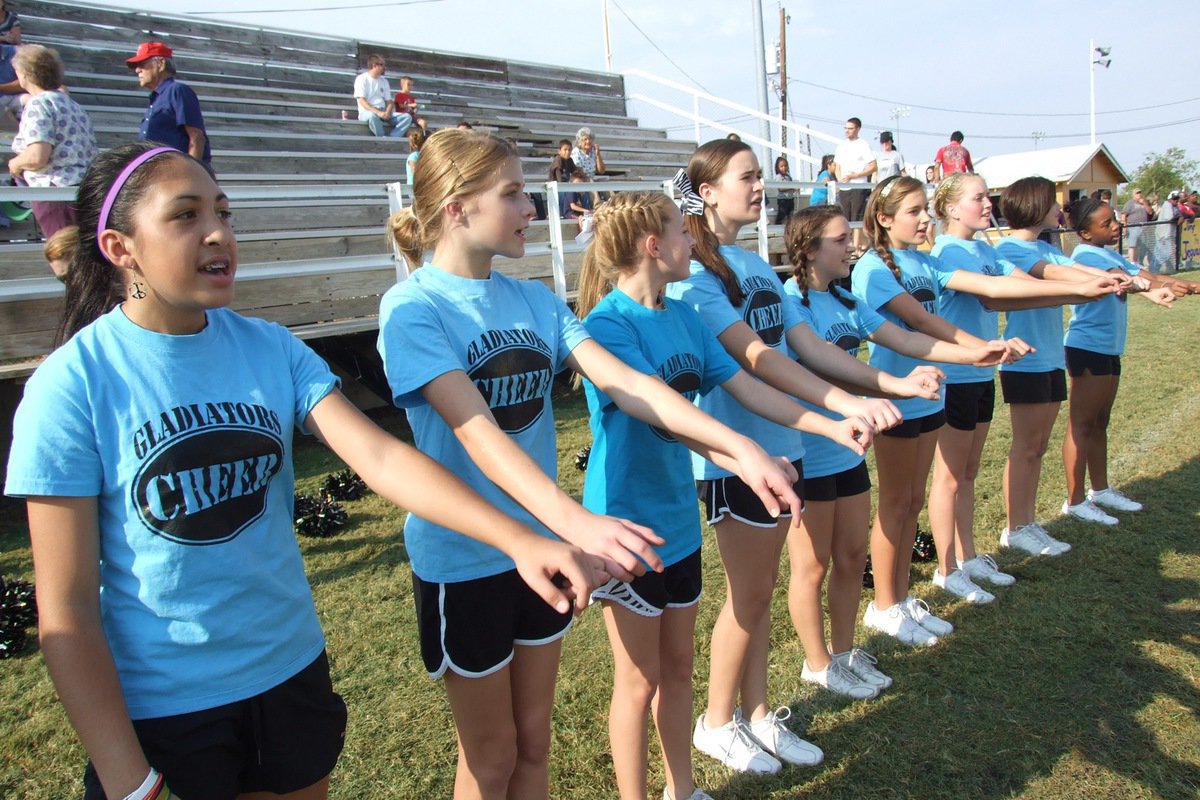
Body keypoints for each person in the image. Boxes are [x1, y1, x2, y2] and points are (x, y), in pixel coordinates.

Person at [4, 141, 604, 800]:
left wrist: (521, 539)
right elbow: (65, 613)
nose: (217, 233)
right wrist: (127, 778)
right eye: (185, 215)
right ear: (121, 248)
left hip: (289, 674)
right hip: (167, 710)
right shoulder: (72, 384)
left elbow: (379, 455)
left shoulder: (271, 348)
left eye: (224, 212)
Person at [378, 129, 803, 799]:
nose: (528, 210)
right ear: (458, 207)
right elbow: (478, 435)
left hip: (544, 554)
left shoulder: (536, 303)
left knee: (535, 744)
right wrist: (574, 521)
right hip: (466, 562)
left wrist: (740, 448)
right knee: (490, 759)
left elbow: (633, 387)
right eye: (513, 195)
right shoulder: (412, 308)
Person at [575, 192, 871, 800]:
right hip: (627, 525)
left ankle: (681, 790)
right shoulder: (608, 325)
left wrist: (826, 421)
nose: (694, 244)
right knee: (638, 681)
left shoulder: (683, 314)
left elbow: (747, 384)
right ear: (653, 247)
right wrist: (744, 452)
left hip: (678, 518)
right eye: (683, 235)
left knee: (679, 668)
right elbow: (669, 411)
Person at [665, 139, 937, 775]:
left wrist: (882, 388)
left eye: (761, 175)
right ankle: (717, 721)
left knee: (757, 596)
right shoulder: (697, 277)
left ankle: (757, 715)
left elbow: (805, 344)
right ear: (706, 191)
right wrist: (840, 409)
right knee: (748, 597)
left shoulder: (751, 264)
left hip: (785, 447)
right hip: (738, 459)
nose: (760, 186)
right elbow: (756, 360)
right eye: (747, 177)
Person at [781, 205, 1004, 697]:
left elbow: (905, 337)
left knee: (852, 553)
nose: (851, 247)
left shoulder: (844, 297)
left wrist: (975, 353)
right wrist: (882, 392)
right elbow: (818, 370)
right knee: (812, 566)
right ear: (810, 248)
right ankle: (817, 664)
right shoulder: (791, 304)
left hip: (850, 450)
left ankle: (843, 652)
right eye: (840, 241)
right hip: (810, 452)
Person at [848, 176, 1050, 646]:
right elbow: (922, 323)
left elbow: (987, 288)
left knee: (913, 503)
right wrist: (986, 348)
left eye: (925, 210)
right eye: (914, 211)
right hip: (898, 399)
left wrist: (1081, 289)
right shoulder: (876, 268)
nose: (925, 219)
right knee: (896, 505)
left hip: (931, 395)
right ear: (884, 218)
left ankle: (898, 601)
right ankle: (884, 606)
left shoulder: (923, 260)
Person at [926, 173, 1120, 603]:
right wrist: (1078, 291)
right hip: (955, 376)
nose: (987, 204)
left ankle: (969, 556)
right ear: (952, 208)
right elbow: (996, 296)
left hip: (981, 374)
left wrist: (1086, 286)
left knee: (969, 473)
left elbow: (1027, 283)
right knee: (950, 478)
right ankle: (946, 568)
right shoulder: (946, 251)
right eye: (979, 198)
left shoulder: (982, 248)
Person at [1061, 197, 1176, 525]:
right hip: (1088, 348)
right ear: (1085, 232)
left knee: (1100, 423)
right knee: (1081, 424)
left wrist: (1174, 285)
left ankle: (1101, 489)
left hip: (1109, 349)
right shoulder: (1085, 255)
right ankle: (1075, 500)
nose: (1116, 226)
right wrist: (1156, 286)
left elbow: (1144, 275)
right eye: (1106, 223)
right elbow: (1127, 278)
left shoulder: (1108, 252)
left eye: (1114, 220)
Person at [8, 44, 98, 239]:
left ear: (24, 73)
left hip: (55, 195)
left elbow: (37, 156)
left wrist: (15, 163)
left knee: (65, 260)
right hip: (83, 192)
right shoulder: (72, 105)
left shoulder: (38, 104)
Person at [126, 42, 210, 164]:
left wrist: (191, 174)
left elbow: (196, 138)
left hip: (177, 173)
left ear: (161, 64)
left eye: (143, 64)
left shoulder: (177, 91)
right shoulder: (156, 99)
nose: (137, 70)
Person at [833, 117, 875, 253]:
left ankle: (856, 247)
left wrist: (856, 175)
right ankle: (847, 245)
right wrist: (840, 178)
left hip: (858, 184)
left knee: (857, 216)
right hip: (845, 186)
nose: (847, 131)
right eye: (846, 128)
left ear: (857, 129)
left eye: (850, 128)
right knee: (845, 216)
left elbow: (873, 166)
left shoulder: (863, 144)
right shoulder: (841, 145)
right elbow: (836, 165)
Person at [353, 54, 410, 139]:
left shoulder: (384, 81)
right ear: (374, 65)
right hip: (366, 112)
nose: (384, 67)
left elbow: (389, 101)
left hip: (383, 111)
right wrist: (378, 112)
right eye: (382, 65)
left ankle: (393, 138)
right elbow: (362, 101)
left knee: (407, 117)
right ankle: (381, 138)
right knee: (372, 116)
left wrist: (387, 112)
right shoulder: (361, 79)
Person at [1121, 187, 1153, 266]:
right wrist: (1124, 227)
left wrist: (1144, 203)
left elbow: (1150, 212)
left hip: (1143, 227)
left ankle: (1137, 261)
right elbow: (1123, 215)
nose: (1139, 194)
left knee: (1139, 246)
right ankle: (1132, 262)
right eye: (1137, 193)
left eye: (1140, 193)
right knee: (1132, 245)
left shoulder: (1144, 202)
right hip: (1132, 226)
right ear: (1133, 195)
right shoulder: (1130, 203)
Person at [1153, 191, 1180, 273]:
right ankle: (1154, 270)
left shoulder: (1174, 206)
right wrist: (1179, 217)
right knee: (1165, 253)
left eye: (1177, 199)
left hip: (1167, 234)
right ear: (1170, 199)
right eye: (1174, 199)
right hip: (1163, 235)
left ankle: (1155, 270)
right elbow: (1170, 217)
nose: (1175, 200)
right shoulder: (1167, 205)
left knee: (1163, 253)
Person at [773, 155, 795, 224]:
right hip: (783, 200)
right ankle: (777, 226)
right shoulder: (778, 177)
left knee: (791, 216)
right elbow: (781, 188)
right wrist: (791, 188)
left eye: (785, 166)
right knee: (781, 215)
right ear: (777, 168)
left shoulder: (788, 177)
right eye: (781, 166)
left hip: (790, 199)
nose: (784, 168)